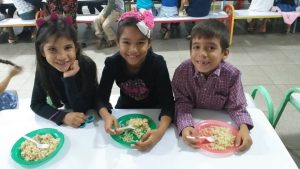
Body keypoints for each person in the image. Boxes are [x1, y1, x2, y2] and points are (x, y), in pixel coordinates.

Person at [97, 11, 174, 151]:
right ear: (117, 43)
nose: (133, 50)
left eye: (140, 42)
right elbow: (100, 99)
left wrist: (160, 132)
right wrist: (107, 116)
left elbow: (168, 104)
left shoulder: (158, 64)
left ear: (149, 43)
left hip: (154, 110)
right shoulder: (112, 63)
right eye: (126, 42)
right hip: (125, 108)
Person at [172, 20, 253, 151]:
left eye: (211, 48)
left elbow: (237, 107)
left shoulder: (232, 75)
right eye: (196, 47)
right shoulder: (182, 71)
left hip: (221, 125)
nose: (202, 54)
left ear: (224, 53)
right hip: (194, 120)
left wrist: (244, 128)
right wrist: (186, 126)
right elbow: (182, 102)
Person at [30, 14, 98, 128]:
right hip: (66, 117)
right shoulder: (44, 69)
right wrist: (63, 117)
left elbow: (83, 109)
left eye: (67, 47)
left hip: (89, 118)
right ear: (42, 52)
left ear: (75, 47)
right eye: (52, 49)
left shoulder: (87, 65)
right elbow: (36, 104)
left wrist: (69, 79)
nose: (62, 57)